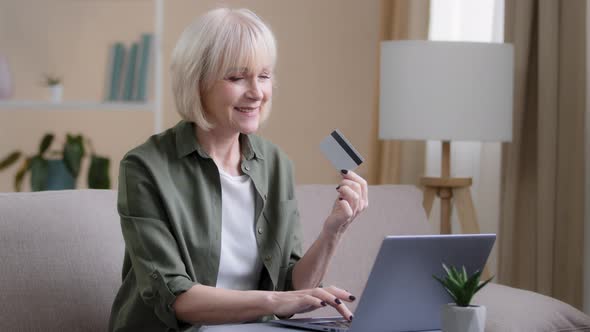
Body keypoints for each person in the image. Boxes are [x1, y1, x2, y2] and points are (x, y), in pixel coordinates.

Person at [108, 7, 368, 332]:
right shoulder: (145, 167)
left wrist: (334, 231)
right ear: (197, 82)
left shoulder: (276, 164)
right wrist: (273, 303)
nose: (257, 92)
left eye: (264, 75)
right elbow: (176, 298)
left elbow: (291, 286)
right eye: (236, 77)